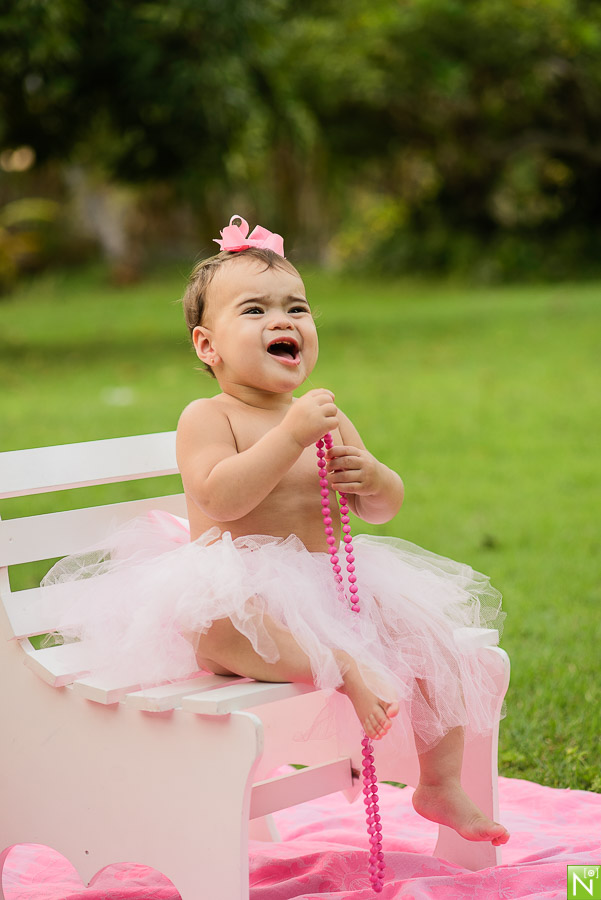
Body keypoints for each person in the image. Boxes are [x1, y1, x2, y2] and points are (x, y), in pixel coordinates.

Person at [44, 215, 509, 846]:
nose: (283, 320)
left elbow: (384, 508)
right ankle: (339, 664)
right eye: (256, 309)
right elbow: (220, 497)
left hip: (330, 583)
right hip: (236, 584)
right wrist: (291, 436)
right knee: (230, 628)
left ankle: (440, 782)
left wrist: (368, 475)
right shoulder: (209, 417)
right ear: (208, 345)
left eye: (297, 307)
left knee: (437, 646)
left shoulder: (323, 414)